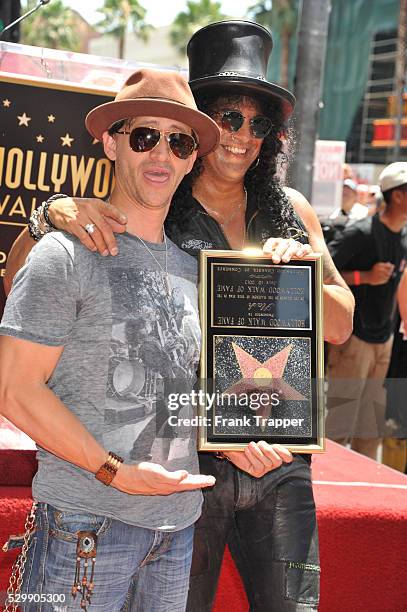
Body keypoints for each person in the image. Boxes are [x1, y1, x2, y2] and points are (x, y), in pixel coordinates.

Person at [5, 21, 354, 612]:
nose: (243, 136)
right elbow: (20, 344)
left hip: (231, 481)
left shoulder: (274, 218)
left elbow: (333, 326)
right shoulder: (114, 223)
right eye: (228, 118)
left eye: (259, 123)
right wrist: (48, 218)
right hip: (133, 493)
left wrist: (297, 276)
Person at [0, 68, 227, 612]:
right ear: (110, 143)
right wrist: (114, 473)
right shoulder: (63, 254)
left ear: (193, 157)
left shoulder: (197, 272)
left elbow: (195, 397)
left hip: (176, 527)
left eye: (179, 141)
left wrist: (261, 434)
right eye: (144, 136)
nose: (161, 155)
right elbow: (15, 390)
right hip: (83, 526)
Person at [326, 161, 407, 460]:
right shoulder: (360, 232)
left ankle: (366, 503)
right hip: (353, 338)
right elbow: (321, 273)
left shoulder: (403, 236)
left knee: (369, 430)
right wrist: (365, 277)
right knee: (339, 424)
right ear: (397, 195)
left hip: (383, 340)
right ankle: (326, 496)